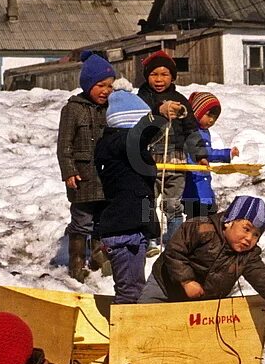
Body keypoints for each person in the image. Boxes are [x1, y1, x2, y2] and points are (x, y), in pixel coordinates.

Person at [139, 195, 265, 320]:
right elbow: (174, 252)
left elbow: (262, 277)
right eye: (246, 229)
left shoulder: (247, 255)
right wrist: (186, 281)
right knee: (143, 318)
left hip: (203, 299)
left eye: (256, 234)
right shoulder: (201, 228)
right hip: (166, 284)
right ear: (229, 222)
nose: (249, 238)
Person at [94, 80, 164, 303]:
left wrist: (150, 227)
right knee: (130, 293)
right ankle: (123, 333)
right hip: (124, 234)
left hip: (134, 231)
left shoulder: (129, 150)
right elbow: (140, 135)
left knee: (135, 288)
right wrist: (157, 115)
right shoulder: (120, 143)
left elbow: (145, 195)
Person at [56, 51, 116, 281]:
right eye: (101, 85)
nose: (106, 91)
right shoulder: (72, 109)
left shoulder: (110, 108)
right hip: (82, 177)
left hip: (105, 176)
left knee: (102, 220)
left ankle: (100, 259)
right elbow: (64, 145)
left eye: (109, 86)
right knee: (82, 222)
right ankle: (77, 263)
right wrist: (69, 170)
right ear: (88, 83)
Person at [136, 50, 205, 246]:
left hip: (175, 158)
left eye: (164, 74)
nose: (159, 79)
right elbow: (137, 123)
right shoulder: (141, 98)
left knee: (172, 203)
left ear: (172, 76)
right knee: (147, 200)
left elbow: (191, 129)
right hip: (147, 158)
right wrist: (159, 110)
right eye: (154, 74)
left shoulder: (180, 99)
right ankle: (148, 238)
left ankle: (175, 241)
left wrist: (200, 154)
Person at [181, 91, 239, 220]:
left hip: (203, 185)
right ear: (197, 112)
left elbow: (206, 153)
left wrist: (226, 154)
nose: (211, 120)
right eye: (208, 115)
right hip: (194, 185)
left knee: (207, 217)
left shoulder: (204, 131)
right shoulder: (191, 132)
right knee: (197, 220)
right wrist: (226, 154)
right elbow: (203, 153)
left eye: (215, 117)